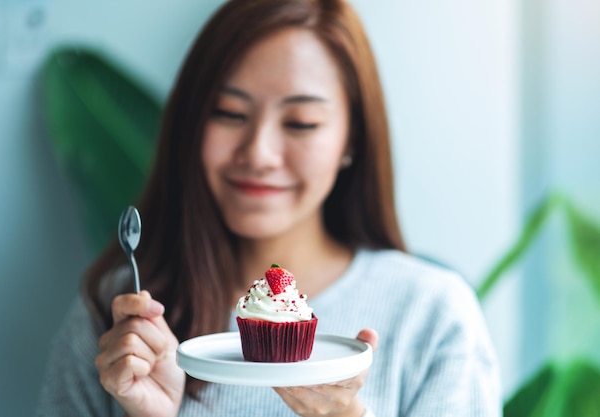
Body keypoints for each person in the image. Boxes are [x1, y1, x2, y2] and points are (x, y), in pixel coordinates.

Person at [36, 0, 501, 416]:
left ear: (350, 140)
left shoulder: (431, 315)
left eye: (301, 122)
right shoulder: (119, 320)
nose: (258, 153)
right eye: (230, 114)